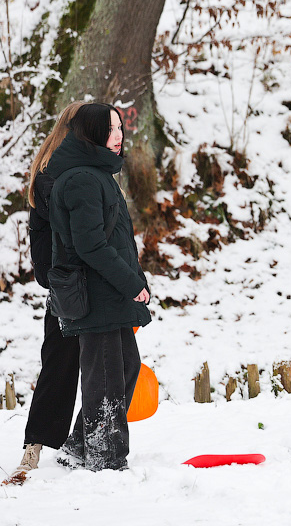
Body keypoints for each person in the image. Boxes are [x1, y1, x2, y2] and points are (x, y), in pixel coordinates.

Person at [46, 102, 152, 471]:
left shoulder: (97, 175)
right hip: (96, 295)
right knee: (106, 377)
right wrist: (130, 284)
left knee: (125, 367)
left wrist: (132, 281)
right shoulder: (81, 179)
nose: (119, 136)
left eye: (120, 128)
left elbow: (114, 241)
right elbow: (91, 246)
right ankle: (106, 461)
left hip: (109, 293)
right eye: (110, 129)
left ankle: (79, 448)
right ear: (90, 133)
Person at [8, 103, 86, 481]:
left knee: (103, 364)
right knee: (60, 364)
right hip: (68, 283)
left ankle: (70, 442)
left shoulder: (61, 167)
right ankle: (35, 447)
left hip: (72, 281)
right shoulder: (54, 174)